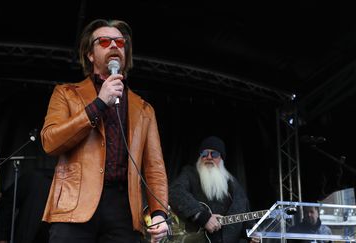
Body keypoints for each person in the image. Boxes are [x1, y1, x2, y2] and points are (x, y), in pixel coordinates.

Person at [40, 19, 169, 243]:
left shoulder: (144, 109)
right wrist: (98, 104)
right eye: (105, 41)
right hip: (74, 206)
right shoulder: (66, 93)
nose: (114, 46)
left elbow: (154, 168)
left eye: (120, 42)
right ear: (90, 55)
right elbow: (50, 142)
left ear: (126, 54)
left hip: (124, 209)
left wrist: (159, 212)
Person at [169, 136, 258, 243]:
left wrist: (251, 235)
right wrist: (202, 216)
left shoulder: (233, 184)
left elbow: (244, 217)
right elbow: (175, 192)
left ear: (221, 158)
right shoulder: (190, 174)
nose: (209, 157)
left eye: (214, 154)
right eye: (205, 154)